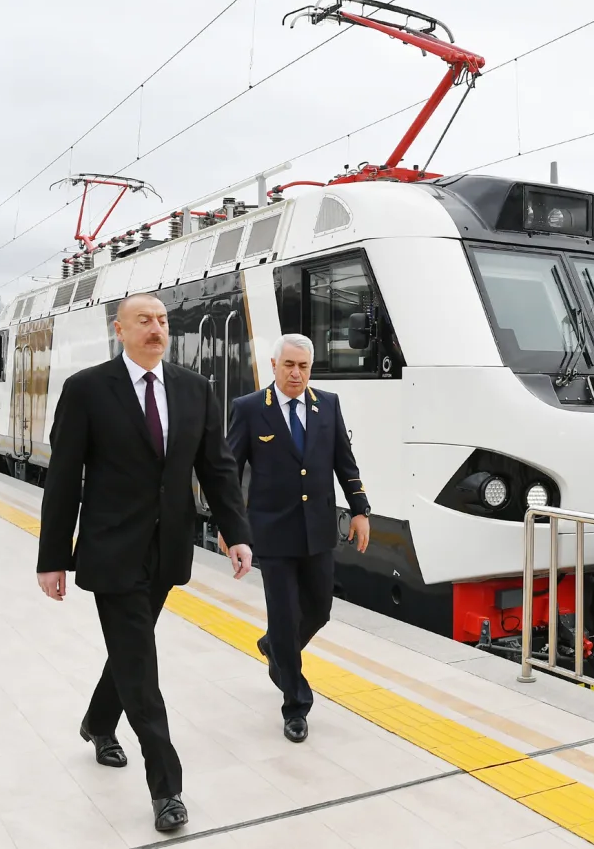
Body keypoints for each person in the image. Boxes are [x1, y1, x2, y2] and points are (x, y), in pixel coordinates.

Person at [36, 293, 254, 834]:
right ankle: (167, 788)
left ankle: (96, 722)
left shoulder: (193, 389)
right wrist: (53, 558)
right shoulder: (87, 389)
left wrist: (235, 532)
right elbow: (63, 478)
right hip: (111, 550)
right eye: (144, 321)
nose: (156, 329)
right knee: (141, 664)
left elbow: (218, 469)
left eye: (161, 321)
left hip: (168, 550)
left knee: (128, 651)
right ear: (120, 330)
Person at [223, 333, 369, 743]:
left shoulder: (328, 405)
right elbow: (228, 471)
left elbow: (345, 461)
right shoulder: (250, 409)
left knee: (319, 610)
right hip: (272, 534)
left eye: (303, 366)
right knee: (286, 617)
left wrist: (360, 510)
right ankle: (295, 704)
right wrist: (231, 527)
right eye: (288, 365)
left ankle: (274, 647)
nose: (296, 373)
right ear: (274, 366)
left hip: (318, 529)